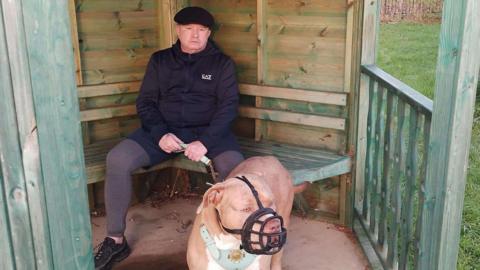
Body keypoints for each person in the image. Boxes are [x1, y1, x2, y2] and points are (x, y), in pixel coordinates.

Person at [93, 6, 244, 270]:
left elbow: (228, 108)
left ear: (209, 33)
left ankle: (233, 240)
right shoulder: (160, 60)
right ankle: (115, 239)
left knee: (235, 168)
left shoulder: (222, 64)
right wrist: (160, 133)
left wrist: (205, 142)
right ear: (178, 30)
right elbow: (146, 102)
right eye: (189, 29)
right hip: (164, 131)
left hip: (208, 134)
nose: (195, 35)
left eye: (201, 30)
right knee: (117, 159)